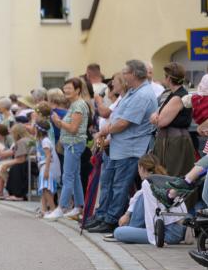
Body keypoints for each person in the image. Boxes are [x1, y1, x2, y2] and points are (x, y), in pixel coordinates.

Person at [85, 61, 159, 234]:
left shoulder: (143, 95)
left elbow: (124, 123)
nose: (122, 75)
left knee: (119, 186)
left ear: (133, 74)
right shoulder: (132, 92)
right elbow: (117, 116)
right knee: (108, 182)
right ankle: (102, 215)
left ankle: (111, 220)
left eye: (125, 72)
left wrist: (104, 131)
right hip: (119, 147)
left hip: (130, 148)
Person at [107, 155, 185, 246]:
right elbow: (138, 196)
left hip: (165, 234)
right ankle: (131, 230)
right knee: (140, 197)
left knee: (118, 232)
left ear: (141, 168)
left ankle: (131, 230)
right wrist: (127, 214)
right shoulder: (164, 180)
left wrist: (154, 240)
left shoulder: (148, 183)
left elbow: (151, 213)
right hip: (176, 230)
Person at [47, 77, 90, 218]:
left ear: (77, 90)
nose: (66, 90)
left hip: (73, 144)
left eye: (69, 88)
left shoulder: (78, 105)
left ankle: (61, 207)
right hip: (71, 144)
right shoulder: (74, 104)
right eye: (65, 88)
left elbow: (73, 128)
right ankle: (79, 206)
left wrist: (58, 122)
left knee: (68, 176)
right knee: (75, 176)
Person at [151, 62, 196, 181]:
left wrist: (156, 117)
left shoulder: (177, 97)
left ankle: (178, 200)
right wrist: (156, 116)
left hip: (174, 142)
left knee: (173, 174)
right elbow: (158, 115)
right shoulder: (173, 94)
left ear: (169, 78)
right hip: (172, 139)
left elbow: (161, 121)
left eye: (165, 76)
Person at [36, 120, 60, 215]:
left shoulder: (45, 141)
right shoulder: (44, 140)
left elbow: (48, 156)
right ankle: (44, 209)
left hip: (47, 167)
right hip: (45, 166)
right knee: (44, 188)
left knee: (46, 189)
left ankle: (53, 209)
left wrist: (46, 170)